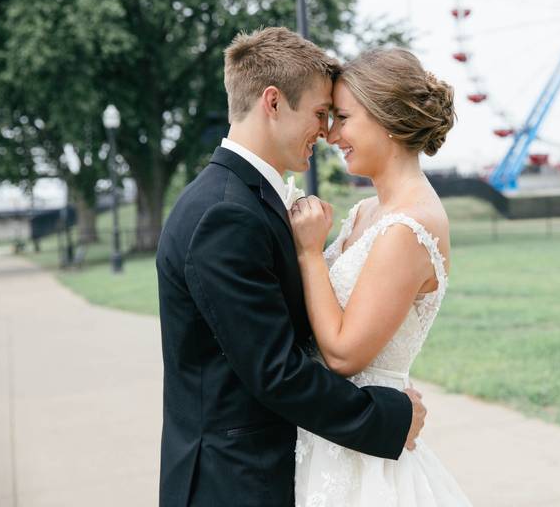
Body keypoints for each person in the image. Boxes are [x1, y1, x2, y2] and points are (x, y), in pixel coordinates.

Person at [155, 27, 426, 507]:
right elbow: (275, 370)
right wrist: (387, 415)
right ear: (273, 102)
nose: (326, 132)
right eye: (321, 114)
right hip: (234, 483)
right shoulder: (225, 213)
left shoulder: (243, 199)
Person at [291, 48, 473, 506]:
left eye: (344, 118)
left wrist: (311, 252)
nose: (331, 134)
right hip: (329, 433)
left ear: (386, 118)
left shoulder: (408, 227)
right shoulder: (366, 212)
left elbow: (344, 354)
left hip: (364, 453)